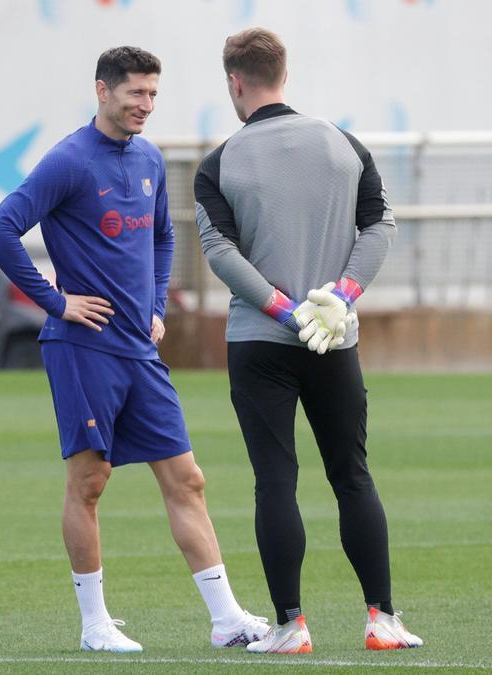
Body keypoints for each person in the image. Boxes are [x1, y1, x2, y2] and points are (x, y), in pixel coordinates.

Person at [0, 47, 267, 652]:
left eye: (153, 94)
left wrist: (157, 307)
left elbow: (164, 235)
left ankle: (226, 618)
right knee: (90, 481)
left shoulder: (150, 159)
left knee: (187, 479)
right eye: (135, 93)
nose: (145, 105)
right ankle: (94, 626)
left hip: (139, 347)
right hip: (82, 349)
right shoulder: (67, 160)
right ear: (102, 91)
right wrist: (57, 302)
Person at [194, 27, 422, 653]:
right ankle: (382, 620)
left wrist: (283, 310)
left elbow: (220, 250)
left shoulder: (220, 162)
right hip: (335, 340)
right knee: (352, 476)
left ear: (234, 83)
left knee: (276, 480)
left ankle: (291, 626)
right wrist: (338, 300)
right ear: (284, 75)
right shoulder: (342, 144)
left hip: (259, 342)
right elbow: (380, 225)